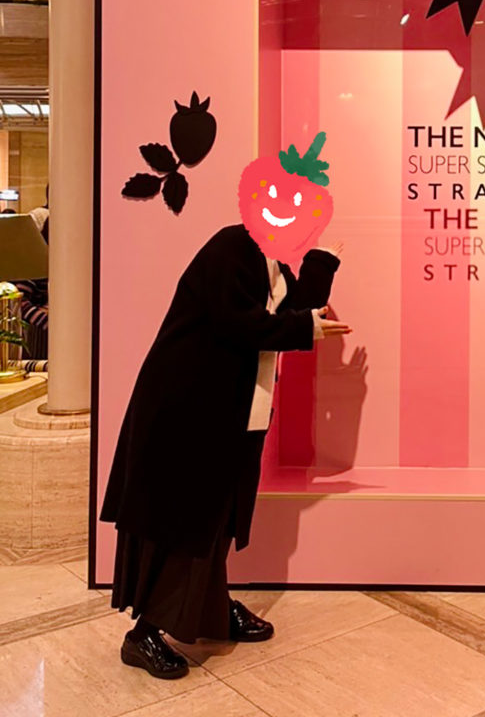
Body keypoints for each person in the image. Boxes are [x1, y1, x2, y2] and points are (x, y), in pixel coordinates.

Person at [101, 134, 350, 679]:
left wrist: (319, 268)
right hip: (187, 411)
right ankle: (143, 634)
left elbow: (291, 313)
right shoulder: (231, 247)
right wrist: (306, 326)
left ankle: (211, 610)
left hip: (232, 410)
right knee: (183, 518)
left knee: (217, 515)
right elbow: (241, 324)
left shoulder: (272, 262)